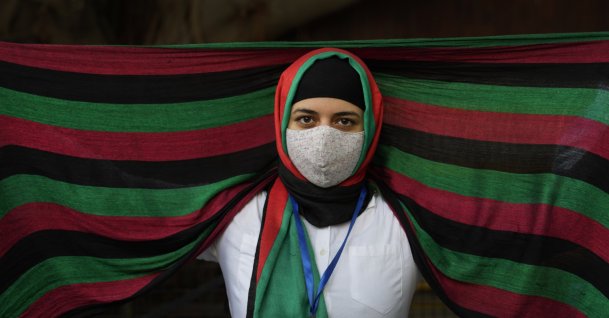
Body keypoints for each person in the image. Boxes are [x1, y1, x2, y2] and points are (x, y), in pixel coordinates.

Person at [200, 48, 420, 318]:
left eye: (344, 121)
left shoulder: (404, 223)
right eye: (306, 119)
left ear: (370, 129)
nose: (324, 136)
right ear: (283, 123)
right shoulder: (235, 216)